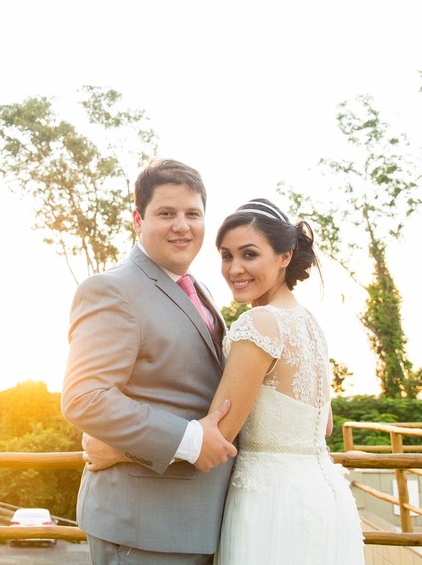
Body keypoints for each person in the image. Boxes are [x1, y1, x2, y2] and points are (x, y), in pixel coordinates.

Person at [85, 198, 364, 564]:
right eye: (226, 255)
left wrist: (115, 450)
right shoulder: (309, 323)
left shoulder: (259, 323)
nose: (235, 269)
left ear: (285, 256)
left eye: (249, 255)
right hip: (322, 495)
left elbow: (217, 435)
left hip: (269, 503)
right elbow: (323, 426)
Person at [62, 158, 237, 565]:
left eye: (193, 213)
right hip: (142, 529)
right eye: (167, 213)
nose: (183, 225)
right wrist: (190, 441)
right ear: (138, 219)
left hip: (201, 522)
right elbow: (84, 397)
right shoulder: (111, 289)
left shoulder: (202, 289)